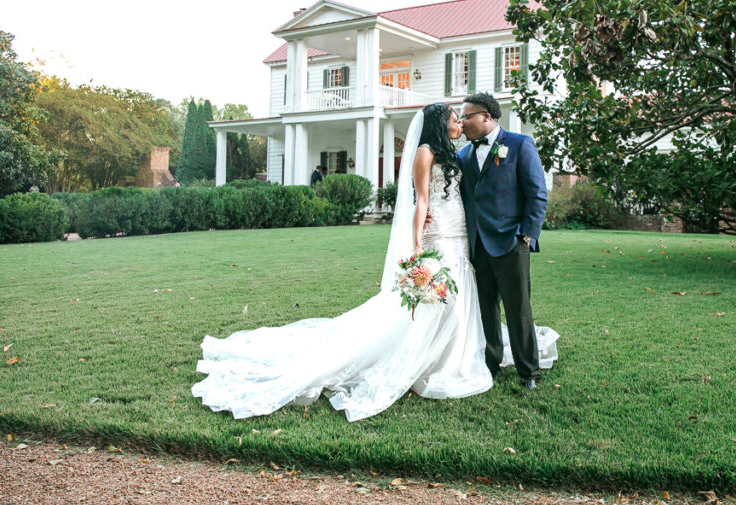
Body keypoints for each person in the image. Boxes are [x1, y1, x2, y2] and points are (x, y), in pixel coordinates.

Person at [192, 103, 500, 421]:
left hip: (459, 228)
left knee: (458, 297)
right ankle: (432, 363)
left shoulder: (453, 152)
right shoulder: (425, 152)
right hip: (436, 232)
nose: (460, 124)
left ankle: (453, 360)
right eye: (454, 119)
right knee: (439, 301)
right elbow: (420, 199)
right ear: (439, 123)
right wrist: (418, 244)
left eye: (461, 120)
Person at [458, 92, 555, 390]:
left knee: (518, 308)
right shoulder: (463, 155)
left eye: (467, 117)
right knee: (485, 308)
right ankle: (491, 363)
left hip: (511, 242)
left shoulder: (519, 144)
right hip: (477, 245)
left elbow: (537, 193)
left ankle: (529, 371)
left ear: (487, 117)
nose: (462, 123)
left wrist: (527, 235)